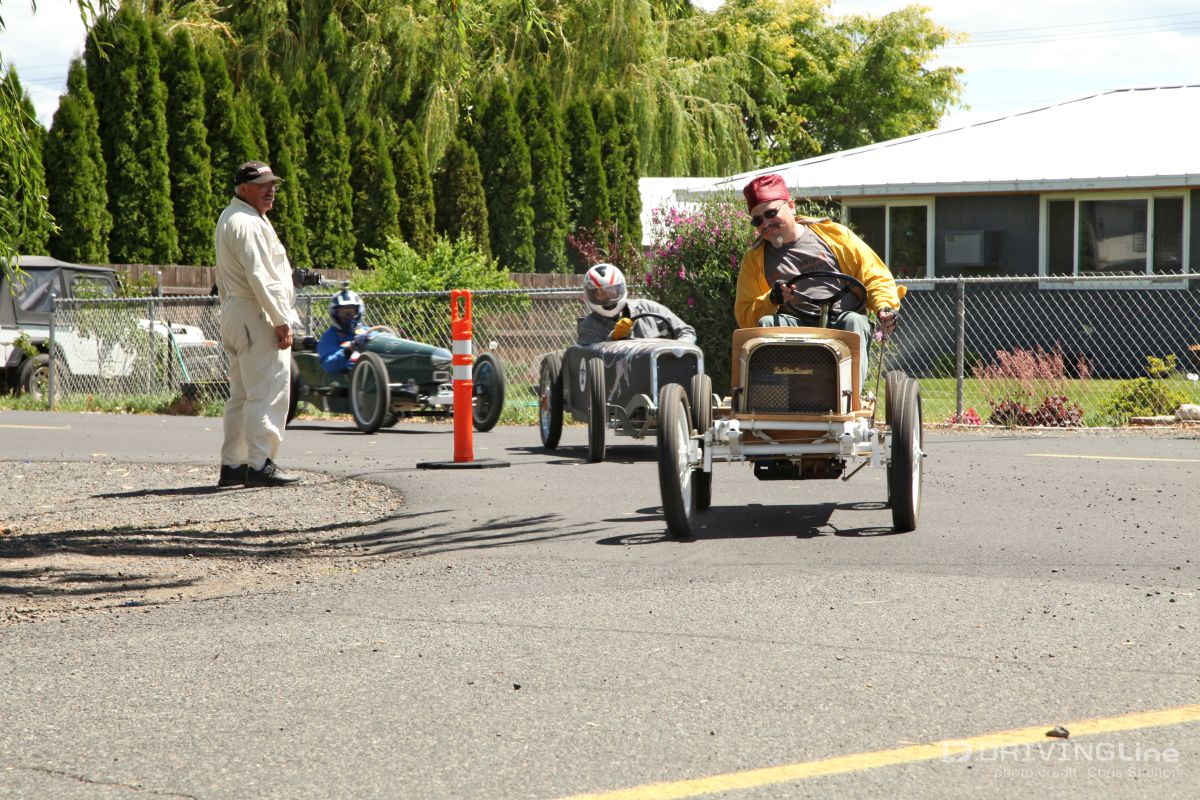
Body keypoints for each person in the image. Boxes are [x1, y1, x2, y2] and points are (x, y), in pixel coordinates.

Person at [734, 173, 901, 387]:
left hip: (841, 320)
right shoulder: (754, 260)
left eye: (771, 213)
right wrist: (771, 299)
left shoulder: (835, 236)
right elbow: (746, 315)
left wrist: (884, 307)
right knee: (768, 324)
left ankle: (850, 401)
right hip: (794, 324)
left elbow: (873, 274)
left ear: (791, 206)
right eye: (758, 220)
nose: (765, 223)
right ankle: (773, 401)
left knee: (855, 321)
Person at [214, 160, 302, 488]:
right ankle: (260, 463)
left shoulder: (231, 217)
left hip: (237, 311)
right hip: (256, 313)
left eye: (273, 184)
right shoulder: (248, 223)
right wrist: (280, 320)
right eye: (263, 185)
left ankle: (233, 465)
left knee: (241, 394)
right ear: (243, 188)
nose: (271, 190)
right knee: (266, 390)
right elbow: (260, 276)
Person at [577, 263, 697, 346]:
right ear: (592, 295)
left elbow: (686, 331)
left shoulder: (647, 307)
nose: (608, 296)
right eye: (600, 293)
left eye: (611, 291)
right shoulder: (588, 327)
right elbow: (595, 362)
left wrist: (678, 350)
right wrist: (613, 337)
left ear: (620, 288)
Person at [318, 289, 370, 375]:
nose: (349, 317)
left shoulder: (367, 331)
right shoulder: (329, 336)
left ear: (359, 312)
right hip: (347, 381)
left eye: (352, 312)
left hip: (372, 374)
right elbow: (329, 365)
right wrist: (350, 349)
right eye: (344, 313)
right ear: (335, 314)